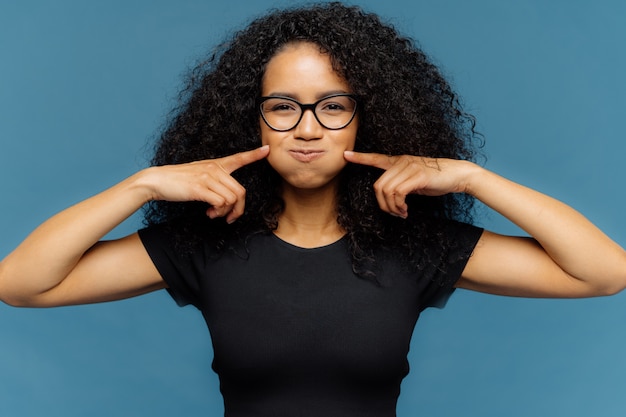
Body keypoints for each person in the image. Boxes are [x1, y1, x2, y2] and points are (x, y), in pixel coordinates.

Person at [1, 2, 624, 416]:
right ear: (253, 121)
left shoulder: (418, 244)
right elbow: (20, 285)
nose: (307, 129)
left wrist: (474, 178)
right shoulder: (205, 243)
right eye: (283, 106)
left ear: (364, 119)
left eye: (332, 106)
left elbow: (604, 272)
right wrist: (139, 187)